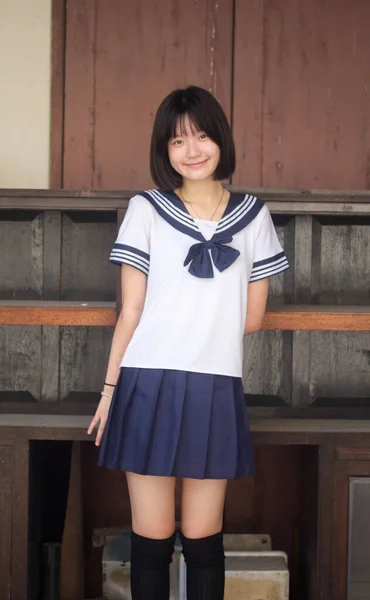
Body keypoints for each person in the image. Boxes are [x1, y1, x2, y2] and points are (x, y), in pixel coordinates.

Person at [87, 85, 289, 600]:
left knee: (204, 541)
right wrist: (110, 392)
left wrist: (200, 328)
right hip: (147, 382)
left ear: (220, 139)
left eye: (202, 135)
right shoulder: (146, 209)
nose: (192, 150)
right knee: (151, 539)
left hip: (215, 387)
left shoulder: (253, 216)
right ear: (164, 151)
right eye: (178, 141)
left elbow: (254, 317)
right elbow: (130, 312)